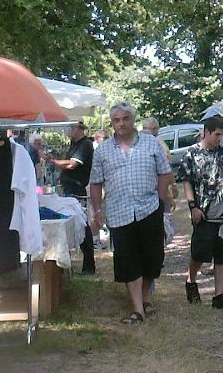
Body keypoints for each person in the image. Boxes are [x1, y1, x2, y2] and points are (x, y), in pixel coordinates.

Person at [89, 102, 171, 324]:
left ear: (133, 120)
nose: (121, 124)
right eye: (116, 120)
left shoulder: (151, 143)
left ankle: (146, 296)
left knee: (153, 258)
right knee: (128, 258)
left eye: (125, 118)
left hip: (149, 208)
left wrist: (161, 200)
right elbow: (95, 183)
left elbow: (165, 173)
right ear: (112, 123)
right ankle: (138, 309)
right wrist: (97, 210)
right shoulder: (103, 150)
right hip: (118, 211)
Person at [180, 115, 223, 310]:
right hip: (203, 212)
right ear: (206, 132)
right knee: (199, 253)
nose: (219, 138)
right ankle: (191, 281)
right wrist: (192, 206)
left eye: (222, 135)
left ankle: (219, 295)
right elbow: (187, 181)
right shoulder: (191, 154)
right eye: (217, 134)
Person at [49, 121, 96, 275]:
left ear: (77, 129)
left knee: (82, 225)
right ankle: (81, 263)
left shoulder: (85, 145)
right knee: (75, 224)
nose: (68, 131)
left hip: (76, 189)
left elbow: (71, 165)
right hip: (70, 187)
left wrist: (54, 162)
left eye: (70, 128)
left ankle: (89, 264)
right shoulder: (74, 144)